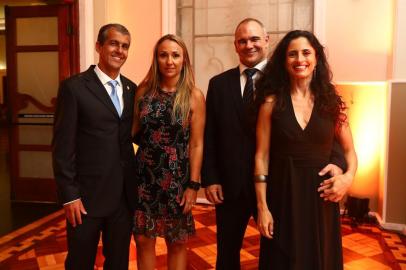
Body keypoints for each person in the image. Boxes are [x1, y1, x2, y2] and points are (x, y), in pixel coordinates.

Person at [202, 18, 347, 270]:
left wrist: (338, 165)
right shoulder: (218, 84)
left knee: (289, 252)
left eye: (255, 39)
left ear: (267, 41)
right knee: (227, 252)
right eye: (242, 40)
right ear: (235, 45)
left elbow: (325, 134)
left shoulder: (284, 80)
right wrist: (211, 177)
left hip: (282, 185)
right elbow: (210, 134)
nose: (249, 45)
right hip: (232, 185)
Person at [254, 30, 358, 270]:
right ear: (284, 61)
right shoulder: (271, 103)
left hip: (321, 200)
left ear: (316, 59)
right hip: (282, 197)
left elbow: (350, 151)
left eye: (306, 53)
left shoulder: (331, 101)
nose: (299, 59)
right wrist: (262, 207)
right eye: (292, 54)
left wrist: (348, 178)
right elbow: (261, 156)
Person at [52, 24, 137, 270]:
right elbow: (62, 147)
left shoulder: (132, 89)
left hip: (123, 197)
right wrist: (70, 197)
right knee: (80, 262)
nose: (119, 50)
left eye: (125, 46)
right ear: (99, 46)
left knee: (119, 262)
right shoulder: (74, 88)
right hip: (85, 199)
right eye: (113, 43)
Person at [132, 34, 205, 270]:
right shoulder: (143, 90)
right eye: (163, 55)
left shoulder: (194, 96)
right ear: (156, 59)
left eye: (175, 55)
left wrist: (193, 185)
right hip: (144, 177)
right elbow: (132, 132)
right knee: (143, 240)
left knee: (176, 242)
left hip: (177, 179)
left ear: (184, 60)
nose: (169, 61)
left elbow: (196, 144)